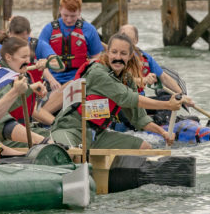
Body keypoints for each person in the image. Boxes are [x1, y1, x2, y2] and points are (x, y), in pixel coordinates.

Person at [49, 33, 183, 149]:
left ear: (130, 56)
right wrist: (167, 105)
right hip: (70, 128)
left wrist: (163, 133)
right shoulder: (98, 73)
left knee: (144, 147)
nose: (118, 57)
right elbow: (127, 98)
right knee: (72, 153)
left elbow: (140, 119)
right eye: (114, 52)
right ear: (107, 53)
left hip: (97, 133)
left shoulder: (126, 79)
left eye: (123, 53)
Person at [0, 37, 52, 144]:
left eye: (29, 56)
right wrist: (29, 89)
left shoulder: (20, 73)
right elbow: (2, 108)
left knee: (60, 135)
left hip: (25, 128)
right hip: (5, 137)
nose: (28, 61)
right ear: (8, 57)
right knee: (57, 144)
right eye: (24, 57)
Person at [37, 0, 104, 86]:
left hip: (80, 78)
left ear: (79, 11)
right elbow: (40, 60)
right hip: (54, 79)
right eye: (65, 15)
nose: (69, 20)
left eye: (73, 16)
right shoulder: (48, 29)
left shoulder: (89, 30)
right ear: (60, 9)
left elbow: (97, 58)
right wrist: (51, 81)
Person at [118, 24, 185, 97]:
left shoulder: (145, 57)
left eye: (128, 39)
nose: (124, 43)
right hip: (120, 99)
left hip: (139, 99)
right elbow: (122, 79)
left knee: (168, 99)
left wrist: (182, 95)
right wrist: (145, 80)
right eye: (122, 38)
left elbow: (164, 78)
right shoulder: (113, 57)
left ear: (136, 40)